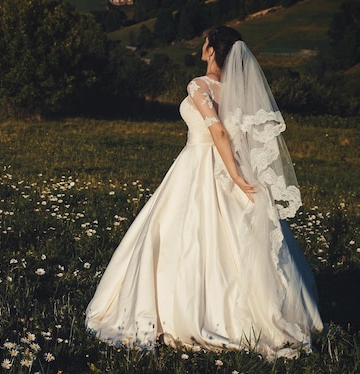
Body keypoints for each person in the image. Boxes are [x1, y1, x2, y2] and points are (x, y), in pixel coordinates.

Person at [85, 26, 323, 360]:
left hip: (202, 164)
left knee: (182, 238)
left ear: (211, 49)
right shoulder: (239, 91)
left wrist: (236, 176)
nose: (202, 44)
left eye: (205, 41)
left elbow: (219, 132)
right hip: (224, 163)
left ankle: (189, 313)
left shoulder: (199, 85)